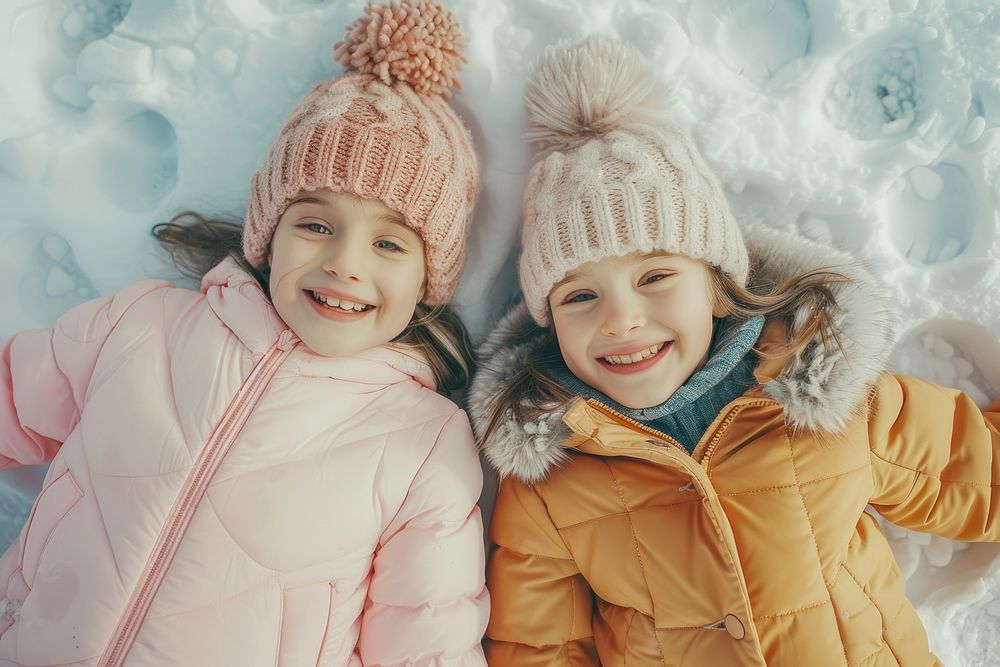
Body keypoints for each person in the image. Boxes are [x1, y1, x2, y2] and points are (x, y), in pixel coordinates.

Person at [471, 36, 1000, 665]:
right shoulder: (551, 480)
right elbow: (540, 645)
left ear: (719, 287)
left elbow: (973, 474)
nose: (621, 319)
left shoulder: (832, 401)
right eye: (580, 297)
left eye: (655, 278)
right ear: (549, 325)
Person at [0, 2, 489, 664]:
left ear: (431, 276)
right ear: (269, 232)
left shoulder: (423, 442)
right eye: (316, 225)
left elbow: (427, 640)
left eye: (389, 243)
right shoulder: (143, 325)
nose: (346, 262)